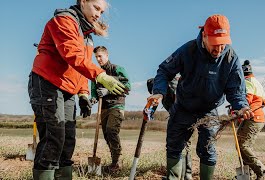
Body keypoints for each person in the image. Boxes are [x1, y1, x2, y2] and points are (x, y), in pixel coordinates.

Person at [27, 0, 127, 179]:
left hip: (67, 90)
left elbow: (81, 67)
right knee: (53, 137)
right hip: (47, 83)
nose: (98, 14)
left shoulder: (87, 35)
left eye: (101, 12)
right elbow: (72, 55)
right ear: (83, 2)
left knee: (68, 139)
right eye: (96, 8)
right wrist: (101, 75)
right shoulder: (64, 20)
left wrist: (83, 93)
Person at [148, 14, 254, 180]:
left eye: (223, 44)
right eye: (215, 44)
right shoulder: (188, 50)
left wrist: (241, 106)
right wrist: (158, 92)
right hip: (184, 107)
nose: (219, 49)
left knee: (208, 150)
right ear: (204, 35)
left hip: (209, 111)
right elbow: (164, 71)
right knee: (174, 146)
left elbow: (236, 90)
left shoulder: (231, 58)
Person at [90, 46, 131, 172]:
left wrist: (108, 90)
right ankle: (114, 160)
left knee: (111, 130)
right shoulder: (96, 72)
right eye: (96, 57)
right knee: (107, 135)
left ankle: (116, 163)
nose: (98, 59)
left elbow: (127, 86)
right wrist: (93, 98)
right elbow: (93, 89)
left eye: (100, 56)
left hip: (117, 105)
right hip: (104, 108)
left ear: (107, 55)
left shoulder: (117, 69)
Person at [147, 75, 192, 180]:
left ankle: (185, 175)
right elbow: (155, 102)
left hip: (185, 113)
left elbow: (179, 96)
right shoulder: (161, 90)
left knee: (181, 143)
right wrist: (150, 112)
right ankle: (184, 174)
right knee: (183, 143)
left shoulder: (172, 84)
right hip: (179, 114)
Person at [237, 60, 265, 180]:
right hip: (257, 118)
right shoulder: (257, 82)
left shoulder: (247, 81)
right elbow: (264, 102)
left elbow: (246, 100)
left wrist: (236, 110)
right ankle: (247, 175)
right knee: (242, 146)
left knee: (243, 146)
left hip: (253, 118)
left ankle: (262, 170)